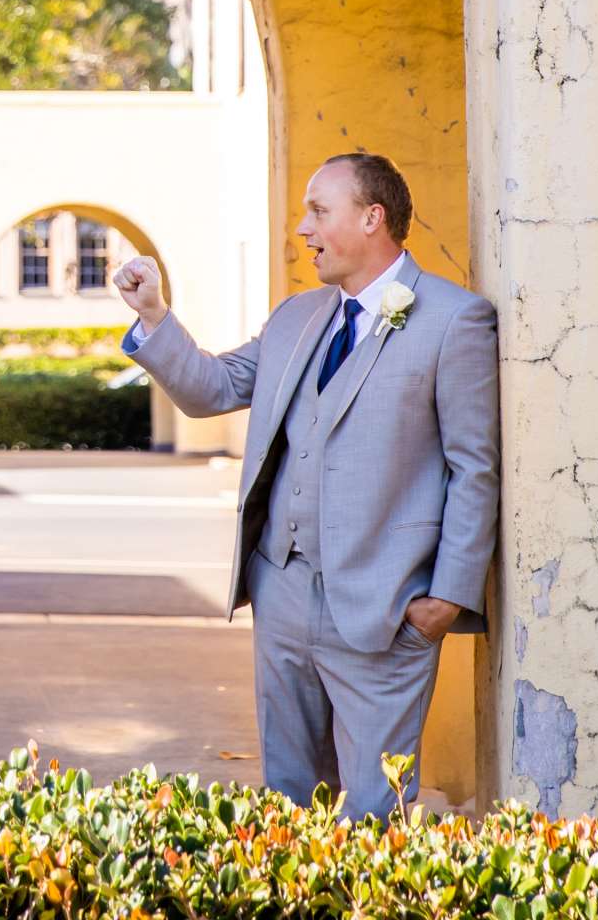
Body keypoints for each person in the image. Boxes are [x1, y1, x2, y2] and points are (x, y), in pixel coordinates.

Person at [111, 152, 498, 818]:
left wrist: (445, 599)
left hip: (388, 605)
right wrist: (153, 316)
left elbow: (474, 467)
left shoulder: (453, 320)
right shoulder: (297, 317)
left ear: (372, 218)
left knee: (376, 809)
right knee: (290, 799)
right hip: (282, 593)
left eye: (319, 211)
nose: (303, 227)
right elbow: (211, 389)